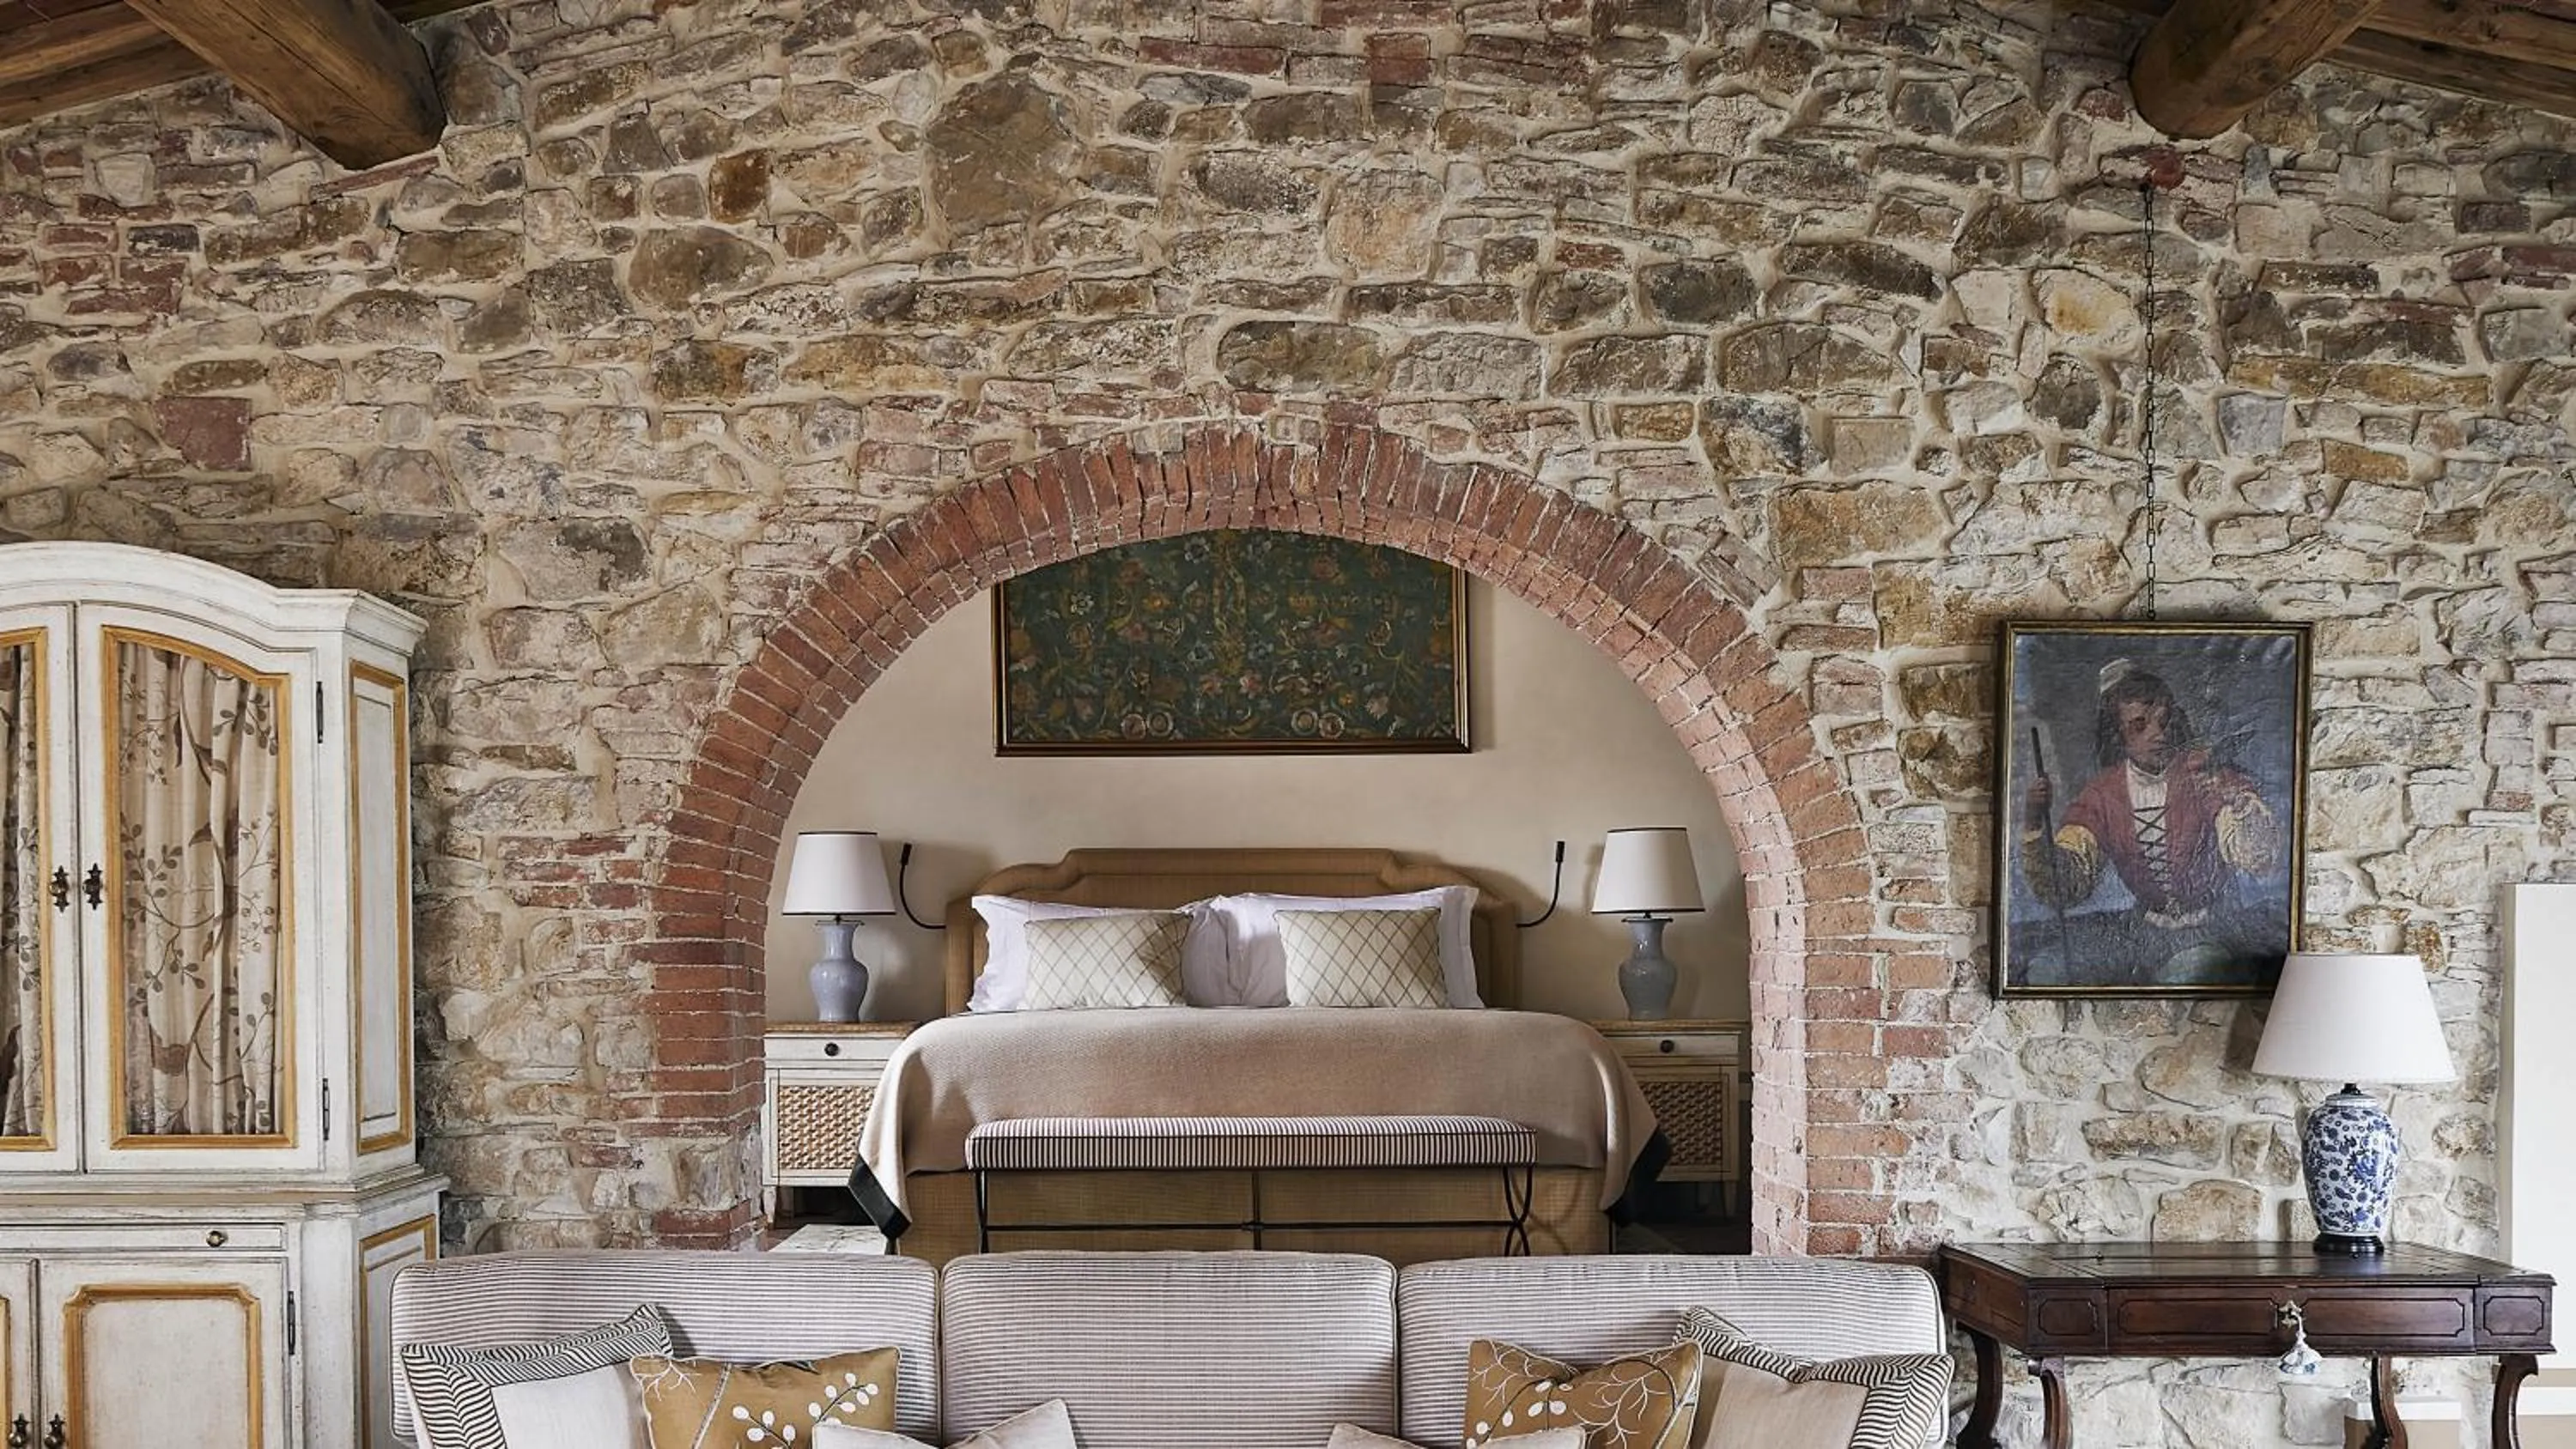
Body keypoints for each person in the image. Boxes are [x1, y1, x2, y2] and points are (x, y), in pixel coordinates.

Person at [2022, 659, 2282, 949]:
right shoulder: (2102, 793)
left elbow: (2259, 858)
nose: (2157, 734)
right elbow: (2069, 885)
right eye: (2139, 726)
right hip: (2147, 933)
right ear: (2118, 734)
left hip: (2215, 929)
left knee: (2187, 968)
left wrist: (2236, 800)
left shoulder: (2203, 772)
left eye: (2163, 721)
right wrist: (2035, 824)